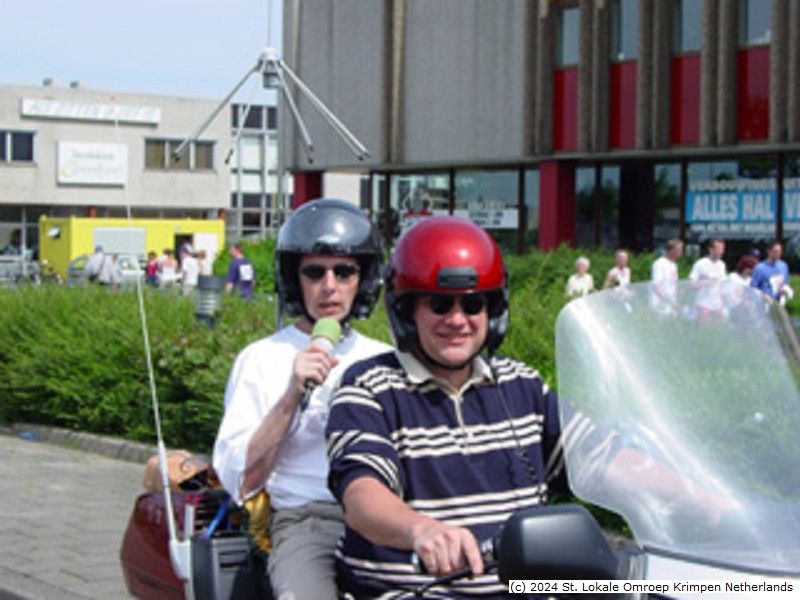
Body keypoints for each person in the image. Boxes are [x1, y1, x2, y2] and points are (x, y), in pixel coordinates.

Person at [325, 216, 569, 597]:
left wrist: (670, 485)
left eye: (472, 304)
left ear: (494, 313)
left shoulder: (523, 385)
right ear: (406, 313)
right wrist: (421, 530)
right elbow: (361, 495)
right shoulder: (369, 388)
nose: (457, 320)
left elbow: (603, 459)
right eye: (439, 304)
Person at [213, 199, 391, 600]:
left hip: (387, 517)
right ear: (295, 280)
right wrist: (292, 394)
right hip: (308, 519)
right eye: (315, 272)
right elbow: (242, 481)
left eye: (344, 271)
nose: (329, 285)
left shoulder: (385, 358)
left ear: (363, 280)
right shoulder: (261, 358)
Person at [688, 238, 727, 322]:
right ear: (711, 249)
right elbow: (691, 284)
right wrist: (706, 283)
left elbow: (723, 286)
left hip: (717, 304)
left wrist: (722, 305)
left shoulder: (722, 265)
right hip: (704, 303)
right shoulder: (700, 264)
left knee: (717, 327)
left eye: (722, 249)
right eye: (718, 249)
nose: (721, 252)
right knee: (705, 327)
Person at [751, 240, 794, 304]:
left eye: (780, 252)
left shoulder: (783, 266)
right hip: (765, 303)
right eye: (776, 251)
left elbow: (786, 283)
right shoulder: (760, 268)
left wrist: (785, 291)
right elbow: (753, 288)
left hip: (779, 302)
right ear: (769, 251)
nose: (778, 254)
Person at [650, 238, 683, 315]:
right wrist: (669, 302)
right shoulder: (659, 264)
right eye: (680, 250)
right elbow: (655, 287)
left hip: (671, 305)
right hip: (660, 305)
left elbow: (673, 284)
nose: (681, 253)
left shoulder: (674, 265)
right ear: (672, 250)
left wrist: (677, 295)